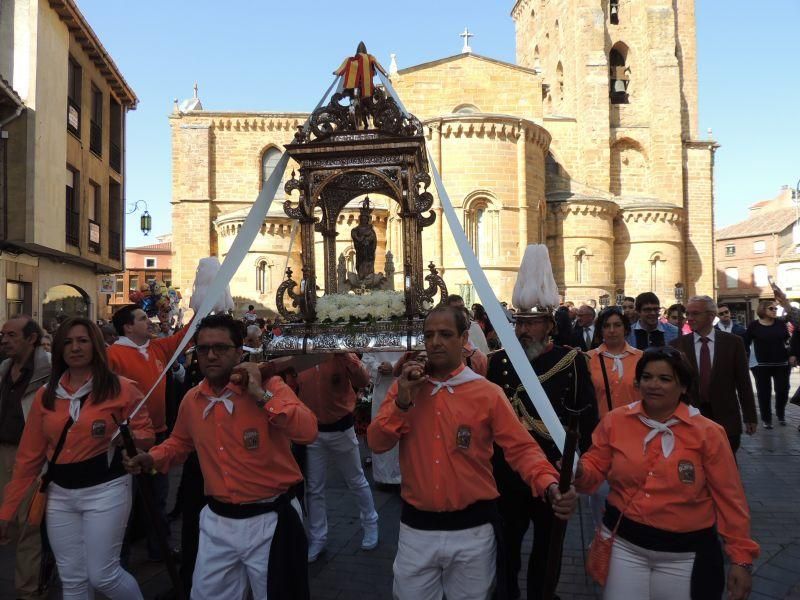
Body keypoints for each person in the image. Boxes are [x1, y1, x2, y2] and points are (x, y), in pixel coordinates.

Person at [367, 306, 577, 600]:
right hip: (417, 531)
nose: (436, 342)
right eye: (429, 335)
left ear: (464, 338)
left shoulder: (487, 393)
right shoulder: (407, 388)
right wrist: (402, 401)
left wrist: (549, 483)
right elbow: (377, 443)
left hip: (473, 534)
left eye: (445, 334)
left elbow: (521, 448)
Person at [123, 314, 317, 599]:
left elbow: (307, 430)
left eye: (221, 348)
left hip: (271, 521)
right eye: (203, 349)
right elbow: (179, 443)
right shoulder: (192, 399)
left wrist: (260, 395)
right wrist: (152, 459)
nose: (211, 355)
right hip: (217, 521)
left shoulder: (270, 386)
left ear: (239, 352)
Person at [575, 346, 759, 600]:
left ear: (683, 386)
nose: (653, 385)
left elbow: (730, 499)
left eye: (664, 379)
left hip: (685, 554)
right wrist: (577, 470)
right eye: (647, 377)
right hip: (624, 546)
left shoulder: (708, 433)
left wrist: (741, 558)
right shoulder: (615, 421)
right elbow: (594, 468)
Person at [0, 317, 154, 599]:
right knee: (72, 578)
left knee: (103, 575)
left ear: (95, 345)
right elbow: (28, 458)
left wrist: (130, 437)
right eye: (68, 342)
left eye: (82, 340)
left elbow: (146, 433)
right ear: (59, 349)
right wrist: (7, 511)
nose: (75, 348)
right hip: (60, 494)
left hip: (106, 489)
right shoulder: (46, 395)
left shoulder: (121, 388)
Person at [488, 305, 598, 600]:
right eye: (519, 322)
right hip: (506, 473)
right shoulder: (498, 362)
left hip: (553, 468)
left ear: (549, 324)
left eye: (531, 323)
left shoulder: (570, 361)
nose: (522, 330)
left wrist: (577, 462)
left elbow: (586, 417)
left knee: (548, 548)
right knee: (506, 546)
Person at [108, 304, 193, 560]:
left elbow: (184, 337)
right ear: (128, 326)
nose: (150, 322)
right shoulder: (112, 355)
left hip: (159, 436)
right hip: (128, 443)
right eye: (143, 318)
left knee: (158, 497)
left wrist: (204, 307)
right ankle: (117, 558)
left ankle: (160, 549)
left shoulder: (157, 348)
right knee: (124, 503)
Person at [296, 352, 379, 562]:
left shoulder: (341, 354)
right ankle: (318, 538)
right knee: (314, 488)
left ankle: (371, 524)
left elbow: (363, 380)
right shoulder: (299, 355)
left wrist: (346, 358)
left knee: (356, 480)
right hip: (313, 432)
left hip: (342, 429)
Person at [0, 316, 51, 599]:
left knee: (27, 527)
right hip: (2, 452)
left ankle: (28, 591)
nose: (4, 340)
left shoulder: (50, 370)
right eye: (3, 334)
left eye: (11, 335)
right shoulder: (4, 368)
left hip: (31, 457)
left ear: (31, 338)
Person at [671, 296, 757, 455]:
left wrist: (750, 416)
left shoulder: (733, 343)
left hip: (726, 418)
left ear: (711, 316)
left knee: (726, 467)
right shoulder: (677, 345)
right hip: (690, 418)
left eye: (695, 314)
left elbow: (743, 382)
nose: (689, 318)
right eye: (688, 314)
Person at [744, 299, 792, 428]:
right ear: (762, 310)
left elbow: (787, 340)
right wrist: (748, 358)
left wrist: (792, 355)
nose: (775, 310)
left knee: (783, 391)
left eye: (775, 308)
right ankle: (767, 419)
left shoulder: (780, 324)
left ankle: (780, 414)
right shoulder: (753, 325)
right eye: (771, 308)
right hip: (761, 366)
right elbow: (745, 342)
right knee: (764, 393)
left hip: (781, 364)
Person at [586, 308, 642, 418]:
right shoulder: (588, 358)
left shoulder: (641, 358)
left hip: (634, 424)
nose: (612, 330)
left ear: (625, 329)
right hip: (601, 427)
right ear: (600, 331)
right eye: (606, 326)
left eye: (617, 325)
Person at [360, 352, 403, 485]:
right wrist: (379, 366)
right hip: (382, 388)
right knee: (383, 429)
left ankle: (405, 474)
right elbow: (366, 359)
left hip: (404, 384)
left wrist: (395, 366)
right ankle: (384, 477)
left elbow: (416, 353)